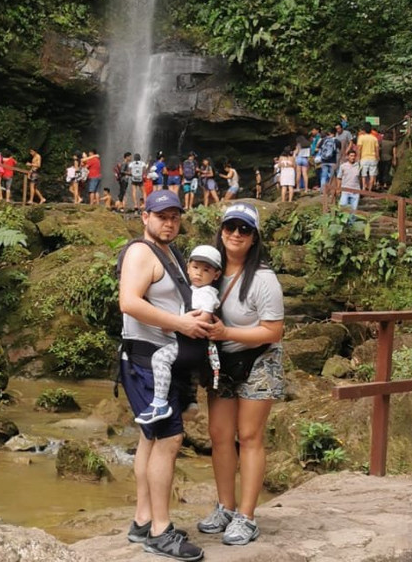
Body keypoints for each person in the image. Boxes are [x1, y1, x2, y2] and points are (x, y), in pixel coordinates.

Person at [119, 190, 210, 560]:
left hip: (160, 361)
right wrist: (181, 324)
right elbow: (129, 301)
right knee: (169, 441)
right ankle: (160, 530)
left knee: (151, 438)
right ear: (145, 217)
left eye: (174, 216)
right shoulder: (141, 252)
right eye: (162, 216)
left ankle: (143, 520)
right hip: (146, 361)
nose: (169, 222)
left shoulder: (168, 252)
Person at [198, 203, 284, 547]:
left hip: (258, 360)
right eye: (230, 227)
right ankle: (225, 506)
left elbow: (273, 331)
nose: (236, 234)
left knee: (249, 436)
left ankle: (247, 516)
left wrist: (226, 334)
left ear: (254, 238)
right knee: (219, 435)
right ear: (220, 230)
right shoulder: (208, 273)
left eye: (244, 229)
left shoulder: (263, 279)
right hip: (222, 362)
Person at [135, 244, 223, 425]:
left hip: (191, 342)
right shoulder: (189, 291)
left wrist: (177, 324)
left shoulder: (207, 293)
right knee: (179, 370)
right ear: (188, 268)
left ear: (216, 275)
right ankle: (188, 402)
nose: (199, 273)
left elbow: (204, 318)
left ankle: (159, 402)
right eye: (195, 267)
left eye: (206, 270)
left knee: (160, 359)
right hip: (186, 340)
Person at [337, 149, 361, 223]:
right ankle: (342, 223)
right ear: (347, 157)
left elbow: (362, 178)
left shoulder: (359, 166)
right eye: (351, 156)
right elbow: (339, 178)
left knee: (353, 210)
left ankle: (351, 225)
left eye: (354, 156)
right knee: (343, 206)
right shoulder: (343, 166)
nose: (353, 157)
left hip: (356, 190)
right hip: (345, 189)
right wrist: (338, 188)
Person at [356, 124, 380, 192]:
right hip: (373, 158)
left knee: (364, 174)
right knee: (372, 175)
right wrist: (377, 157)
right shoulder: (374, 138)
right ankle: (370, 189)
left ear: (364, 130)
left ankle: (363, 188)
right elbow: (377, 149)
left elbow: (359, 148)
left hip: (364, 158)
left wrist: (358, 157)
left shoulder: (361, 138)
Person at [315, 128, 339, 195]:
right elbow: (339, 149)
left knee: (323, 176)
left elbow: (317, 148)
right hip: (333, 161)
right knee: (332, 177)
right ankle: (332, 192)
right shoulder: (336, 140)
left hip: (324, 161)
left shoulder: (323, 140)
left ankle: (323, 192)